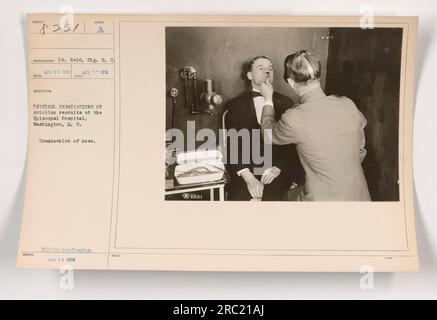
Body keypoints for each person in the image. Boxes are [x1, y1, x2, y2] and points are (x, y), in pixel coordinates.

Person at [259, 50, 371, 201]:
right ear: (318, 76)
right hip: (360, 198)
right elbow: (361, 151)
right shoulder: (348, 104)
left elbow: (267, 134)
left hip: (321, 206)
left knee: (280, 203)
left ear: (291, 83)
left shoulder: (294, 117)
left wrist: (267, 99)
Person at [226, 56, 303, 201]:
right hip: (246, 170)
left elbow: (292, 145)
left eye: (270, 68)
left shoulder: (286, 102)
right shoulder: (235, 105)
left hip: (277, 169)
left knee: (276, 201)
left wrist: (278, 168)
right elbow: (232, 145)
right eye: (260, 68)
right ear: (249, 75)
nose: (267, 71)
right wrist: (249, 179)